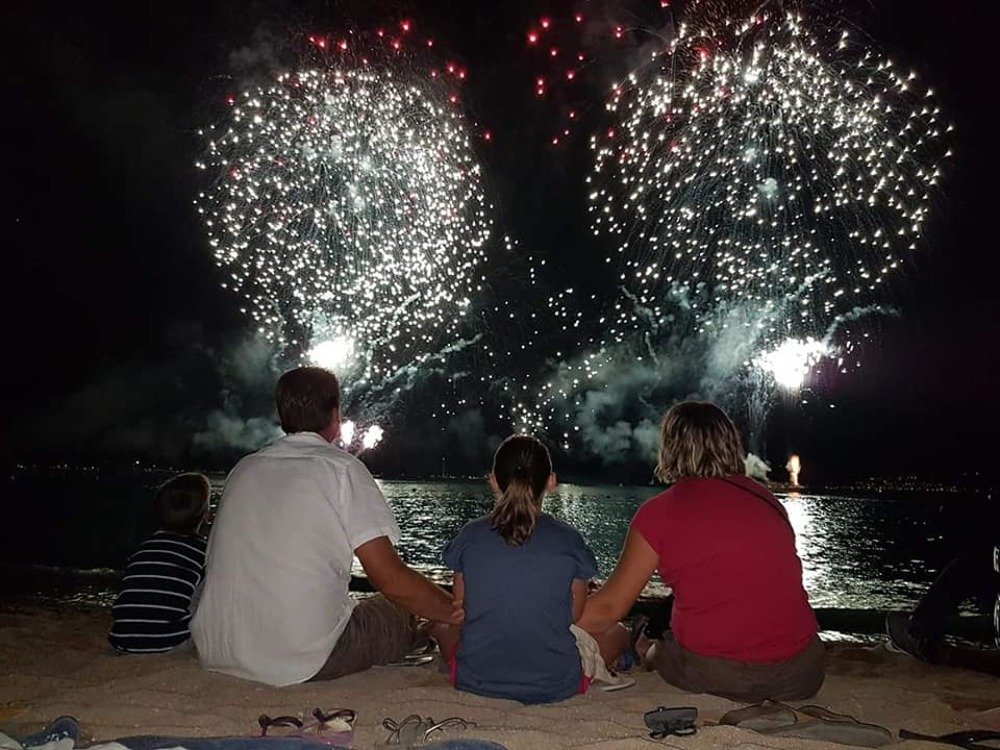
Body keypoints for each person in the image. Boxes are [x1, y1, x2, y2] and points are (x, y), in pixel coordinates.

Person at [190, 366, 462, 686]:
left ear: (281, 414)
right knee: (404, 609)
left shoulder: (243, 469)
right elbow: (390, 579)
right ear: (335, 415)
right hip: (303, 659)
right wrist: (455, 611)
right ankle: (439, 633)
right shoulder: (342, 469)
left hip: (217, 648)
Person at [580, 401, 825, 702]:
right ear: (730, 444)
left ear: (670, 447)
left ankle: (646, 648)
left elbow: (608, 609)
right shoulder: (767, 500)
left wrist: (549, 612)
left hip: (717, 674)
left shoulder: (659, 512)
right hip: (804, 672)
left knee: (655, 649)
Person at [431, 435, 626, 703]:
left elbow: (460, 605)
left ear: (494, 481)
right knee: (618, 633)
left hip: (474, 678)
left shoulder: (470, 535)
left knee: (442, 626)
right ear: (551, 482)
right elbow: (575, 614)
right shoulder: (568, 540)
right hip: (557, 683)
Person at [109, 473, 210, 653]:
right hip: (170, 642)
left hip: (122, 640)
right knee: (212, 579)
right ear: (205, 515)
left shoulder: (144, 547)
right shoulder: (202, 551)